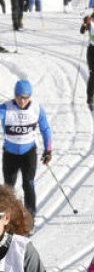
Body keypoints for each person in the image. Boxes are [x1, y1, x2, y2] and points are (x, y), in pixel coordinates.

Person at [1, 81, 52, 217]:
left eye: (25, 98)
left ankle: (30, 217)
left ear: (30, 97)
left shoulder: (36, 109)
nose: (22, 101)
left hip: (28, 153)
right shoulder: (5, 109)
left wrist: (48, 151)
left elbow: (45, 129)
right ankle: (8, 218)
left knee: (28, 184)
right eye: (19, 97)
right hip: (10, 155)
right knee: (8, 188)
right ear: (15, 96)